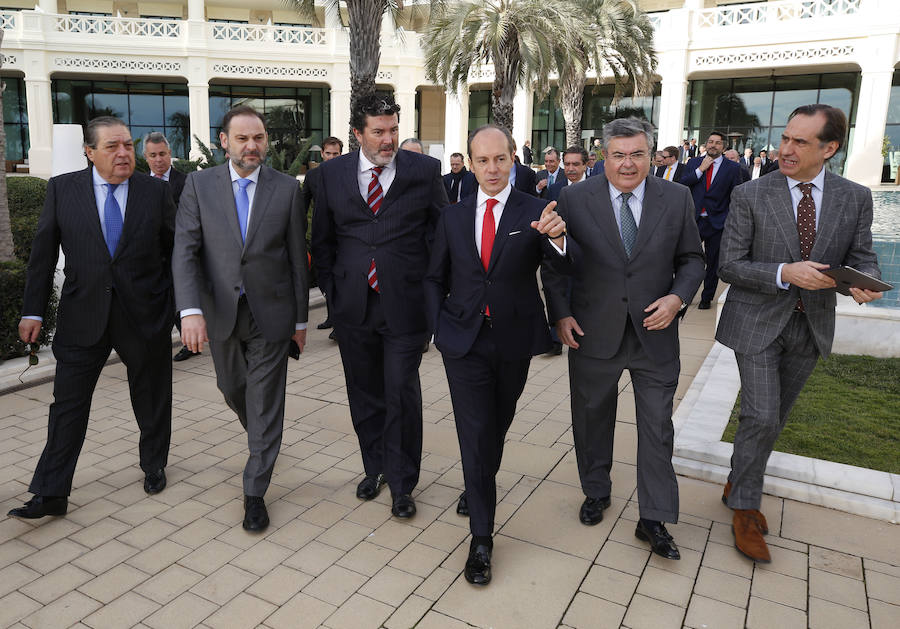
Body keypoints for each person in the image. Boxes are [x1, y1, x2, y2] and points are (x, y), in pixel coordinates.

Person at [716, 104, 882, 563]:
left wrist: (864, 281)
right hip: (756, 323)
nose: (786, 149)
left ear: (830, 148)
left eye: (800, 142)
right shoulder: (751, 194)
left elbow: (863, 256)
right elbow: (729, 264)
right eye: (786, 137)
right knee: (762, 415)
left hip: (812, 325)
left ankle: (739, 477)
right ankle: (746, 507)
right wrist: (785, 272)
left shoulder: (855, 197)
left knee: (774, 418)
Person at [543, 117, 704, 560]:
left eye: (637, 154)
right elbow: (557, 263)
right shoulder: (575, 198)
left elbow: (693, 259)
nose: (628, 164)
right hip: (593, 331)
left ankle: (653, 517)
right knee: (592, 417)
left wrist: (677, 298)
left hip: (656, 333)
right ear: (603, 157)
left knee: (657, 427)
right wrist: (560, 314)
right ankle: (596, 490)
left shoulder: (677, 198)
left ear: (651, 156)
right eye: (618, 155)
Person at [425, 124, 571, 585]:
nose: (492, 169)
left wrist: (559, 238)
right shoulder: (453, 215)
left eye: (500, 159)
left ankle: (478, 481)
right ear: (470, 164)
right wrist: (438, 325)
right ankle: (482, 538)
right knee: (475, 429)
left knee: (499, 421)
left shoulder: (538, 210)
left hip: (513, 339)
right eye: (482, 161)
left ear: (514, 160)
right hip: (462, 341)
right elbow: (434, 277)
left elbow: (561, 269)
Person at [9, 116, 175, 520]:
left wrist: (174, 308)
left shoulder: (154, 192)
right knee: (67, 405)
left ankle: (153, 464)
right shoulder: (63, 190)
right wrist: (33, 310)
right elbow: (43, 256)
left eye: (127, 146)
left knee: (151, 395)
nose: (123, 154)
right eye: (112, 147)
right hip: (83, 316)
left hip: (144, 315)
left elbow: (176, 253)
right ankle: (51, 492)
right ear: (89, 152)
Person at [172, 105, 309, 532]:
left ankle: (254, 492)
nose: (253, 146)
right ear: (223, 142)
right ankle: (264, 437)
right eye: (243, 138)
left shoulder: (286, 189)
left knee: (265, 399)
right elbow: (186, 251)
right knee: (232, 388)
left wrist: (301, 322)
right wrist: (190, 311)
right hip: (221, 313)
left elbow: (296, 260)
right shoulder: (198, 185)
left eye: (259, 138)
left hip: (272, 313)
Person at [312, 96, 448, 519]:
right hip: (353, 306)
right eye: (378, 132)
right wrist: (334, 296)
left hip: (406, 307)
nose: (388, 140)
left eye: (393, 130)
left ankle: (404, 483)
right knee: (365, 393)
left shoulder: (423, 171)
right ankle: (376, 468)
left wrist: (433, 295)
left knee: (401, 392)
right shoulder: (329, 175)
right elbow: (321, 242)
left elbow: (440, 235)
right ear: (358, 134)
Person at [143, 131, 195, 363]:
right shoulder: (138, 184)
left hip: (176, 254)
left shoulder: (186, 182)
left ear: (170, 154)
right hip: (148, 257)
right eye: (153, 155)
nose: (158, 159)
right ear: (145, 157)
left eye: (162, 154)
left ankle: (190, 341)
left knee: (177, 301)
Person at [679, 131, 743, 309]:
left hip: (718, 222)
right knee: (686, 259)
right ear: (706, 144)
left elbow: (736, 196)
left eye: (717, 143)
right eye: (710, 141)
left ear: (723, 147)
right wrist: (701, 170)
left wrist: (729, 218)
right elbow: (682, 184)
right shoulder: (693, 163)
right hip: (694, 220)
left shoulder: (732, 168)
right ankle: (684, 295)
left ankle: (706, 298)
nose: (713, 145)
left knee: (713, 262)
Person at [301, 136, 343, 336]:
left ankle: (340, 322)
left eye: (336, 153)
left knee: (342, 277)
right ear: (322, 154)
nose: (332, 157)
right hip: (322, 236)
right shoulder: (312, 176)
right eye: (328, 153)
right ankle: (331, 317)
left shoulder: (349, 173)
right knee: (325, 277)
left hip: (345, 236)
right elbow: (302, 206)